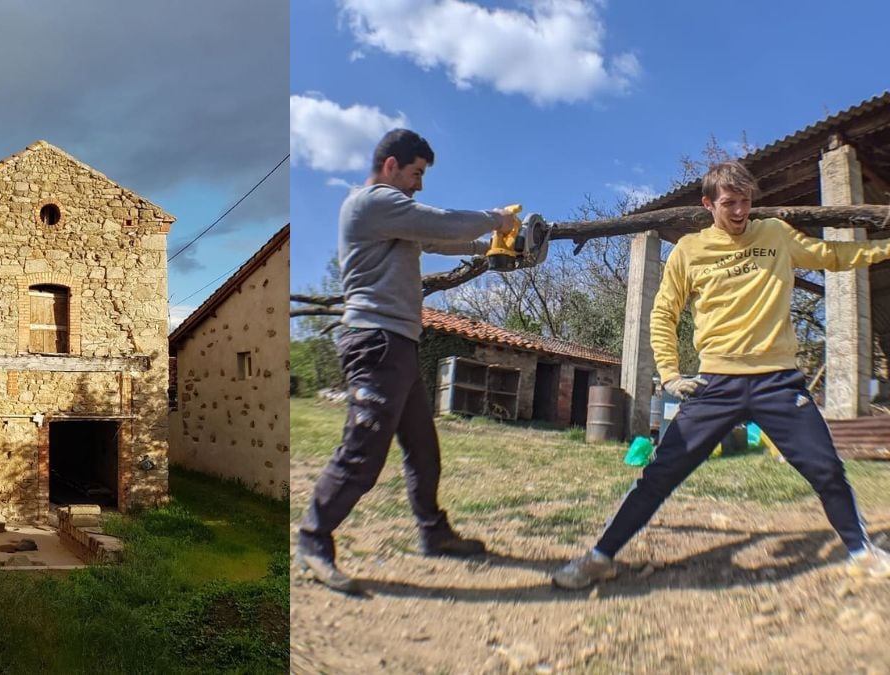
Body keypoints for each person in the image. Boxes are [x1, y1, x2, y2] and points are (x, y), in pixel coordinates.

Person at [553, 160, 890, 589]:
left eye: (746, 202)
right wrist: (671, 374)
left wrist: (885, 247)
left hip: (779, 381)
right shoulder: (689, 252)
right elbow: (663, 313)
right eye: (729, 203)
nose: (739, 212)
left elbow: (833, 256)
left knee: (826, 469)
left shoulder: (776, 235)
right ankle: (599, 558)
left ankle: (862, 552)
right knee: (659, 475)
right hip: (716, 385)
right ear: (708, 203)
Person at [297, 128, 518, 593]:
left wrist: (493, 247)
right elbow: (441, 224)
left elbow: (439, 241)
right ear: (391, 165)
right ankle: (313, 540)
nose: (419, 184)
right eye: (416, 173)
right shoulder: (370, 202)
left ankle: (433, 533)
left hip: (397, 344)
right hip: (376, 341)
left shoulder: (394, 220)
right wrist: (494, 219)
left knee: (423, 449)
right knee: (363, 451)